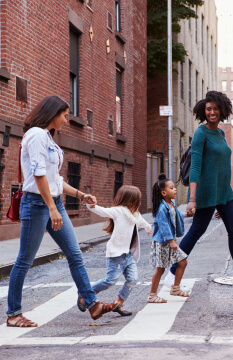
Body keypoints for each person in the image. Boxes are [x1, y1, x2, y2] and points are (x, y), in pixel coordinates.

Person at [7, 95, 117, 327]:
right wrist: (51, 208)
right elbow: (38, 175)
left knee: (75, 254)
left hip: (52, 202)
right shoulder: (36, 135)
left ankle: (92, 304)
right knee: (25, 260)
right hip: (38, 205)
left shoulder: (48, 138)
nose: (67, 120)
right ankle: (14, 314)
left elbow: (54, 179)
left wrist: (80, 195)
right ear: (53, 113)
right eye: (65, 115)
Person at [163, 91, 233, 293]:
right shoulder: (201, 133)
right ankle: (172, 274)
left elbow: (221, 166)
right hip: (206, 192)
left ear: (222, 110)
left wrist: (221, 202)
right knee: (196, 231)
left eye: (215, 109)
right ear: (204, 110)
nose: (212, 112)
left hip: (224, 194)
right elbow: (195, 168)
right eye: (208, 109)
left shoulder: (220, 133)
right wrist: (192, 199)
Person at [77, 185, 152, 316]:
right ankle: (85, 293)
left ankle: (118, 303)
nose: (139, 203)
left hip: (128, 255)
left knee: (133, 280)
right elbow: (102, 211)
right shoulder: (118, 211)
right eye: (138, 200)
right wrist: (91, 205)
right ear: (130, 201)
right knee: (110, 281)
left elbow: (142, 222)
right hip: (116, 255)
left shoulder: (135, 214)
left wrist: (148, 228)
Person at [148, 174, 189, 303]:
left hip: (170, 242)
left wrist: (188, 214)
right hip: (163, 243)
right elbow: (164, 226)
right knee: (160, 269)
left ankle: (175, 288)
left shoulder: (170, 204)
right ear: (164, 192)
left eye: (174, 187)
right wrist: (171, 241)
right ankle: (152, 295)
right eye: (172, 188)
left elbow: (176, 215)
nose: (175, 189)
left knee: (182, 262)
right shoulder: (162, 208)